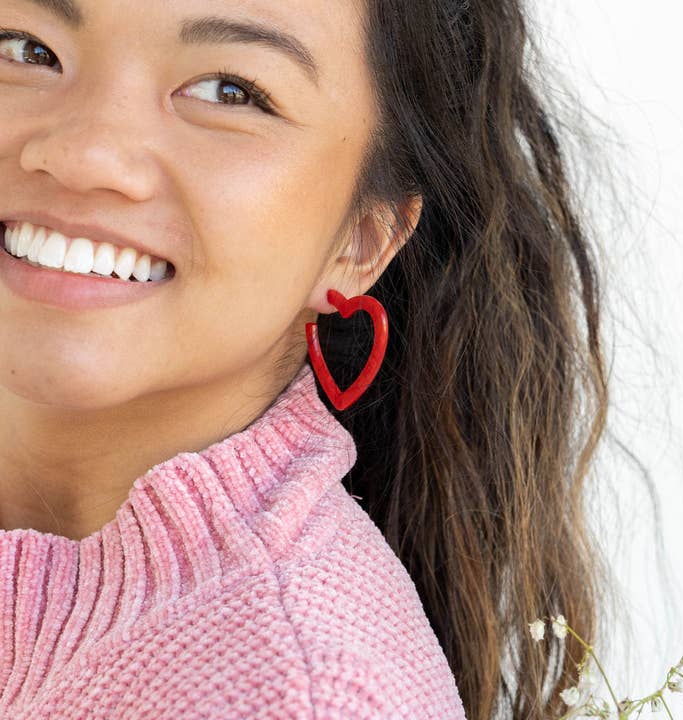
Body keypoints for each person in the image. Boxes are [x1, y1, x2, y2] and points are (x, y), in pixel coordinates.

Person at [0, 0, 611, 718]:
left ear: (363, 240)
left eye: (231, 91)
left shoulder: (303, 697)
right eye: (25, 48)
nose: (83, 156)